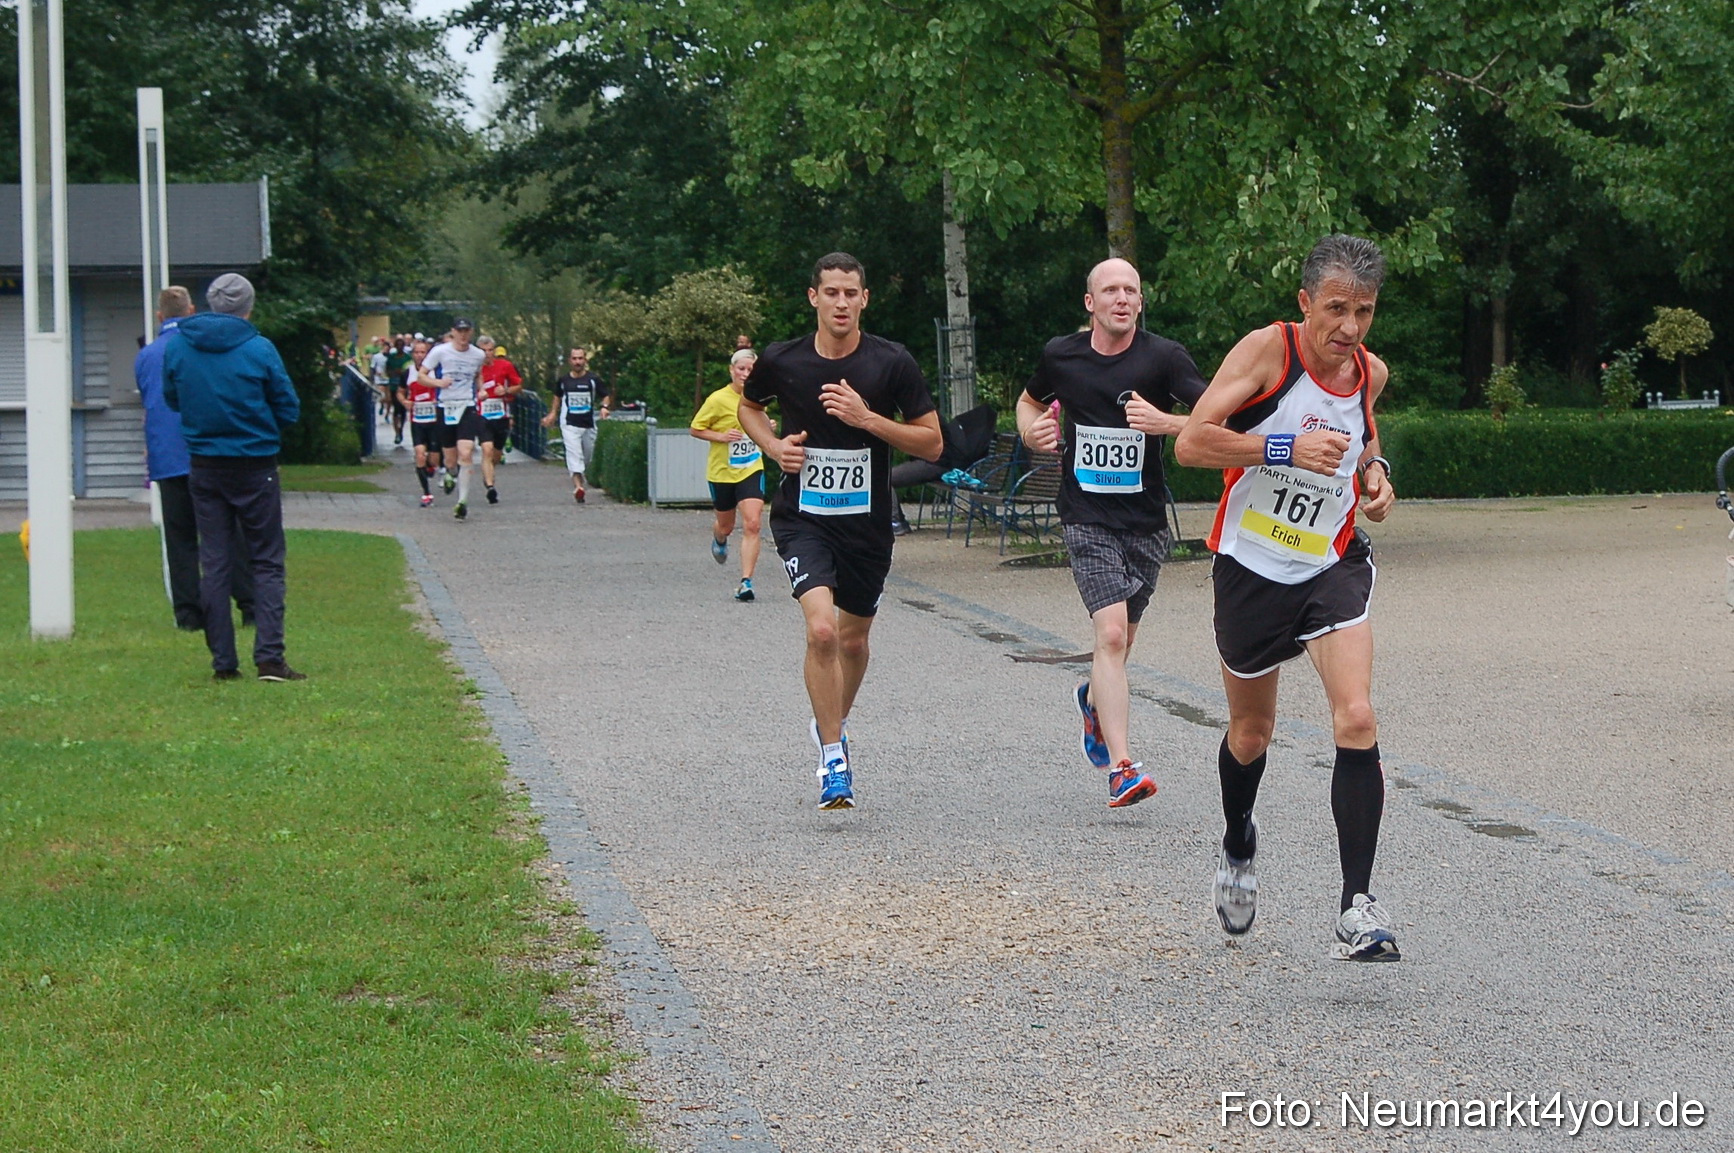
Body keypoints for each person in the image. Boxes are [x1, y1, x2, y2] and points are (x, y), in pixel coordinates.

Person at [1173, 234, 1399, 961]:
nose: (1349, 327)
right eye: (1336, 308)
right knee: (1251, 734)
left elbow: (1363, 444)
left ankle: (1356, 905)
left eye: (1362, 310)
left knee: (1357, 714)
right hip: (1251, 568)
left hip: (1329, 562)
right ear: (1305, 303)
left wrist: (1375, 477)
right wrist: (1281, 449)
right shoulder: (1267, 352)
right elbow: (1192, 443)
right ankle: (1239, 842)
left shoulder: (1369, 374)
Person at [736, 252, 943, 810]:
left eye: (851, 293)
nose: (841, 303)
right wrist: (774, 446)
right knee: (823, 631)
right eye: (831, 292)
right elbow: (748, 408)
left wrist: (867, 419)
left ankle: (834, 720)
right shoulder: (782, 359)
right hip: (803, 519)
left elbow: (932, 443)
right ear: (814, 298)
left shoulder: (891, 363)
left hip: (867, 527)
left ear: (864, 299)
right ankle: (833, 758)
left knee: (853, 640)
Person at [1017, 257, 1208, 808]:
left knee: (1122, 640)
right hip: (1085, 517)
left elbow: (1219, 415)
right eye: (1111, 290)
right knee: (1112, 636)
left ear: (1140, 302)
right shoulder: (1062, 356)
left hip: (1146, 523)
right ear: (1090, 303)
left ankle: (1094, 699)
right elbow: (1029, 402)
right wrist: (1033, 432)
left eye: (1131, 290)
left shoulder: (1165, 358)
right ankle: (1123, 767)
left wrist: (1166, 423)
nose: (1122, 298)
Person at [161, 272, 303, 682]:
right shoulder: (259, 349)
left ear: (208, 304)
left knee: (215, 561)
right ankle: (270, 658)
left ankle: (224, 662)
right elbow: (287, 407)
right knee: (266, 560)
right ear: (248, 307)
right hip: (255, 464)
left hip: (204, 464)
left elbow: (173, 398)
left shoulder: (180, 346)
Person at [136, 285, 255, 630]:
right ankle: (248, 604)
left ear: (160, 316)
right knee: (228, 531)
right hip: (207, 450)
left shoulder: (146, 355)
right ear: (191, 311)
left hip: (166, 455)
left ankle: (189, 614)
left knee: (180, 537)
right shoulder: (199, 346)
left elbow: (149, 402)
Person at [690, 347, 767, 602]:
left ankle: (746, 582)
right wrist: (721, 436)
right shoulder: (717, 399)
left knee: (753, 523)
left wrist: (767, 427)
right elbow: (696, 428)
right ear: (732, 371)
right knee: (727, 524)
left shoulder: (760, 396)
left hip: (751, 467)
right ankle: (719, 537)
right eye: (741, 369)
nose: (745, 374)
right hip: (722, 472)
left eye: (750, 370)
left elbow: (763, 428)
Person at [419, 317, 487, 520]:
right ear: (453, 332)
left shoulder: (478, 354)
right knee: (450, 458)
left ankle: (462, 502)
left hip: (467, 405)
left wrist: (481, 389)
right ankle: (450, 473)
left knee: (466, 453)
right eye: (460, 331)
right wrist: (438, 383)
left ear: (471, 332)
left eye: (467, 330)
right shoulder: (441, 351)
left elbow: (478, 375)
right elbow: (422, 375)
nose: (463, 334)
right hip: (445, 406)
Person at [541, 347, 611, 502]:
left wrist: (604, 408)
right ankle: (578, 487)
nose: (577, 362)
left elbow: (605, 395)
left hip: (588, 424)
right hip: (569, 423)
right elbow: (557, 397)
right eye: (574, 359)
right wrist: (553, 413)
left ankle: (581, 477)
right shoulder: (564, 381)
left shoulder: (593, 380)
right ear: (569, 361)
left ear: (585, 360)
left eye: (580, 358)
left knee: (587, 456)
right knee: (574, 455)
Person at [476, 335, 523, 504]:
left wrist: (507, 390)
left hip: (501, 415)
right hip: (481, 415)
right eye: (483, 351)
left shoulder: (505, 366)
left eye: (490, 350)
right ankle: (490, 487)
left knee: (495, 455)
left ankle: (488, 473)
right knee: (486, 450)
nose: (487, 354)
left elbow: (519, 386)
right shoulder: (474, 368)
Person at [398, 338, 441, 506]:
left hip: (434, 421)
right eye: (416, 352)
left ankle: (431, 467)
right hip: (417, 421)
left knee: (434, 459)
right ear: (412, 354)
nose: (419, 355)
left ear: (428, 354)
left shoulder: (436, 372)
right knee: (419, 455)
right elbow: (400, 392)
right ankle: (427, 494)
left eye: (423, 352)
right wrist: (404, 402)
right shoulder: (407, 373)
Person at [385, 336, 412, 446]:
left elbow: (410, 371)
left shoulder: (407, 357)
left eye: (402, 345)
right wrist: (394, 372)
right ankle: (397, 432)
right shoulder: (391, 358)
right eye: (398, 345)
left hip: (405, 386)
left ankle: (401, 430)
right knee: (396, 409)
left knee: (403, 410)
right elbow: (387, 371)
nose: (400, 347)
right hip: (394, 385)